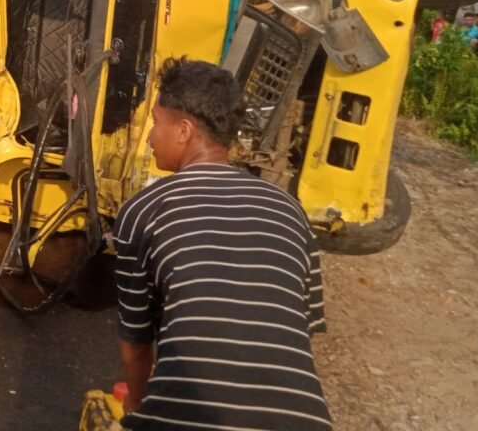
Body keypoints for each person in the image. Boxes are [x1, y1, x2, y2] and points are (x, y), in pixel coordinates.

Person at [113, 57, 331, 431]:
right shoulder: (290, 210)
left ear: (183, 130)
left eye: (156, 122)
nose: (150, 137)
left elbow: (135, 344)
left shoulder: (145, 209)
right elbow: (298, 331)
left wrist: (136, 405)